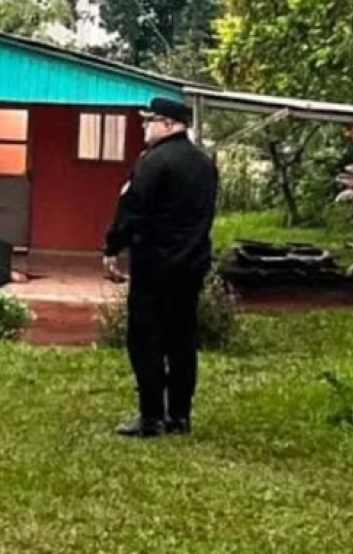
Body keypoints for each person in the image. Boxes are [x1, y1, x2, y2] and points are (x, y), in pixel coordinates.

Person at [103, 97, 218, 438]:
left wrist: (112, 246)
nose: (144, 126)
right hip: (191, 264)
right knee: (182, 339)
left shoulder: (153, 161)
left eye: (149, 120)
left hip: (154, 265)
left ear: (168, 124)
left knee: (146, 338)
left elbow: (132, 208)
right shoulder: (204, 163)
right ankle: (180, 416)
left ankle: (151, 416)